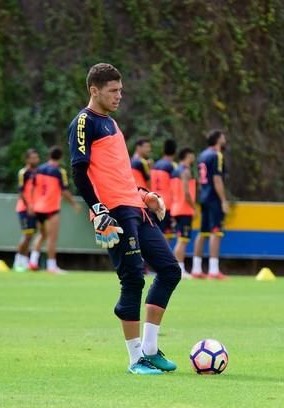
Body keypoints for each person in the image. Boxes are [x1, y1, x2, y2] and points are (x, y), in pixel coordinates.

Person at [68, 63, 181, 375]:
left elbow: (119, 173)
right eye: (113, 90)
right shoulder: (84, 122)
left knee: (170, 270)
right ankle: (135, 360)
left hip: (136, 208)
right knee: (132, 278)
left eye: (120, 89)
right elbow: (78, 172)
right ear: (94, 90)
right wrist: (99, 210)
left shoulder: (112, 124)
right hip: (114, 212)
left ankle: (150, 349)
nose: (120, 95)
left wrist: (145, 195)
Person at [28, 145, 81, 274]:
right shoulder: (59, 171)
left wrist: (31, 204)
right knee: (52, 238)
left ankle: (33, 261)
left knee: (42, 234)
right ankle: (51, 266)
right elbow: (64, 191)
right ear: (61, 157)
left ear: (49, 156)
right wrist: (74, 203)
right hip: (51, 208)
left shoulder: (39, 169)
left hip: (38, 208)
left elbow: (32, 187)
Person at [191, 129, 229, 280]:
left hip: (204, 196)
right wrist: (223, 200)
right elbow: (217, 179)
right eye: (223, 137)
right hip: (213, 198)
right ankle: (213, 270)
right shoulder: (216, 155)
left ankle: (196, 268)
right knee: (216, 232)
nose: (225, 139)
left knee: (203, 232)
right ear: (218, 139)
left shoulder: (202, 155)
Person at [170, 147, 197, 278]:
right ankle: (180, 268)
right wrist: (194, 207)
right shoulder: (185, 171)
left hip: (176, 208)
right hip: (184, 209)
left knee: (180, 239)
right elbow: (187, 193)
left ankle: (178, 267)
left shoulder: (175, 170)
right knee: (183, 240)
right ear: (188, 155)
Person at [13, 149, 40, 272]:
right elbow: (21, 192)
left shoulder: (38, 173)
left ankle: (24, 260)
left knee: (30, 235)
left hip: (34, 209)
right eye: (33, 158)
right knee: (27, 234)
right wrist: (28, 205)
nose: (36, 160)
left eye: (36, 157)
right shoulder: (23, 173)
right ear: (27, 159)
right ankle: (17, 261)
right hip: (24, 208)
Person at [150, 139, 178, 240]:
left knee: (157, 234)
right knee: (167, 236)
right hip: (167, 205)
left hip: (154, 202)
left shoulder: (155, 165)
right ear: (175, 151)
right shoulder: (172, 166)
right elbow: (176, 186)